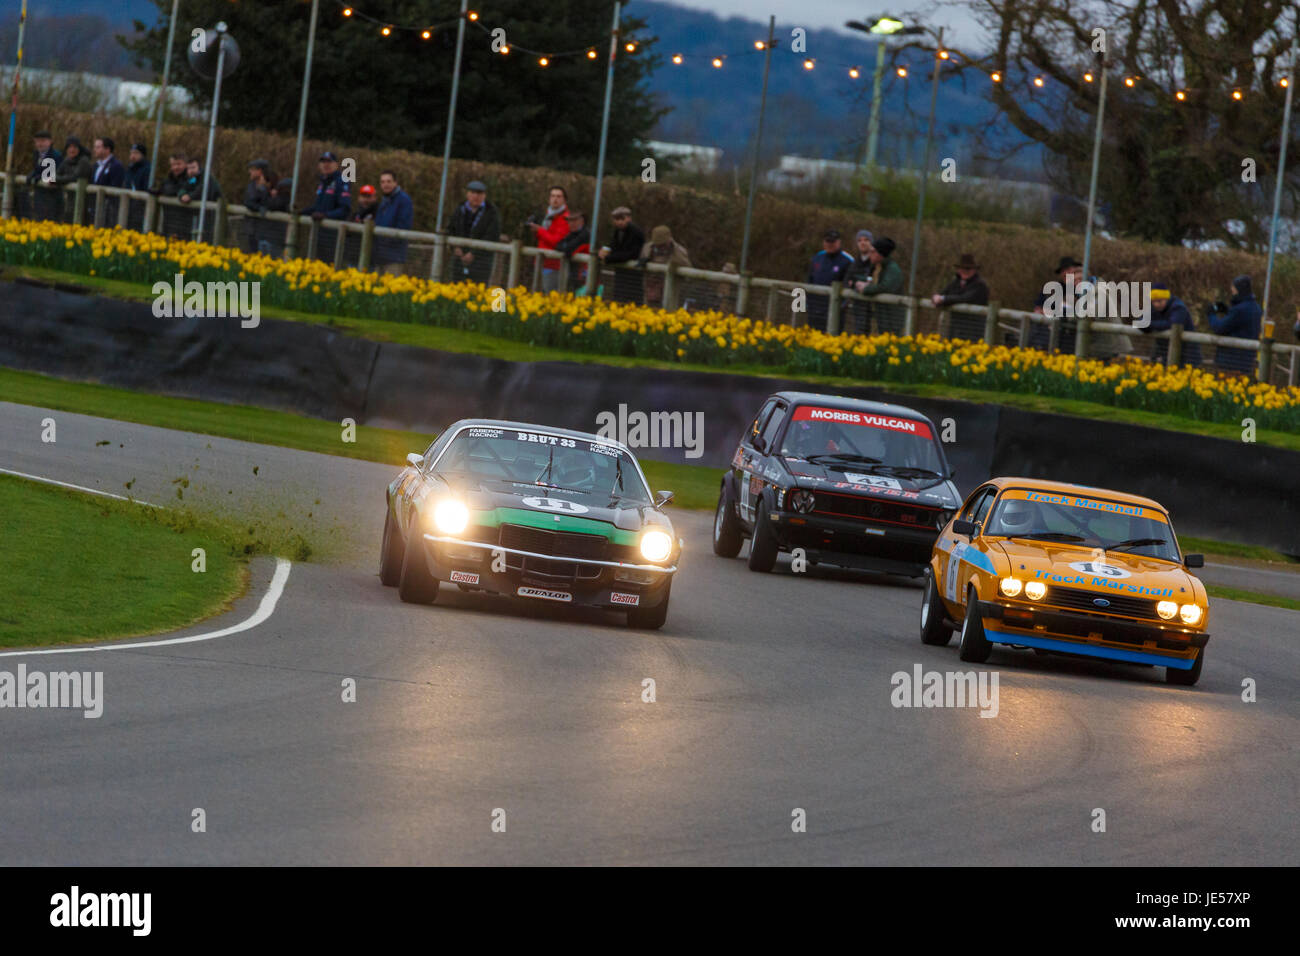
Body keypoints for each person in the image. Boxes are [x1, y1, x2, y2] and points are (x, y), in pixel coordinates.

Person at [1206, 274, 1262, 374]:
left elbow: (1219, 328)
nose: (1232, 291)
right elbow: (1241, 325)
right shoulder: (1256, 308)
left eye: (1234, 289)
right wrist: (1228, 310)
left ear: (1238, 290)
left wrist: (1211, 314)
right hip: (1246, 361)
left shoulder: (1239, 310)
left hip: (1231, 361)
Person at [449, 179, 500, 284]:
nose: (476, 196)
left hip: (481, 262)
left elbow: (492, 235)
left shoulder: (492, 213)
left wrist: (473, 253)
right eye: (473, 193)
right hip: (460, 259)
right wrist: (455, 247)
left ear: (484, 195)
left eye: (479, 193)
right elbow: (451, 229)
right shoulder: (459, 209)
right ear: (467, 194)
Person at [932, 253, 990, 341]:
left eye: (968, 269)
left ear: (974, 270)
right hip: (955, 330)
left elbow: (965, 298)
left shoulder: (980, 285)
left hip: (973, 332)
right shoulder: (956, 282)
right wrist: (936, 298)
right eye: (962, 268)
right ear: (958, 269)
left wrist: (943, 299)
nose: (965, 271)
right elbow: (941, 294)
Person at [1142, 283, 1201, 367]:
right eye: (1154, 301)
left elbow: (1173, 324)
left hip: (1187, 354)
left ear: (1166, 298)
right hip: (1165, 352)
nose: (1156, 304)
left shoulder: (1178, 307)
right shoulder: (1153, 308)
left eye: (1159, 301)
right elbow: (1140, 321)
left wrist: (1149, 325)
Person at [807, 229, 855, 332]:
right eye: (827, 241)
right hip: (814, 308)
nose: (830, 244)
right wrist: (806, 303)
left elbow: (849, 285)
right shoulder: (817, 257)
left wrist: (842, 307)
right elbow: (809, 280)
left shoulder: (847, 260)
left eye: (832, 242)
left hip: (834, 309)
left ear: (839, 242)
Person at [1032, 255, 1082, 352]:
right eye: (1062, 271)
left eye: (1068, 269)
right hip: (1048, 335)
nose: (1065, 273)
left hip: (1072, 338)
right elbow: (1038, 309)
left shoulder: (1082, 290)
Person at [856, 237, 905, 334]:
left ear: (880, 253)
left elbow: (885, 287)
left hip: (891, 320)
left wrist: (866, 289)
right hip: (880, 317)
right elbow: (868, 279)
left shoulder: (892, 269)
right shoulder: (877, 267)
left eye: (873, 252)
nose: (870, 254)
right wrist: (858, 283)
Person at [527, 185, 570, 292]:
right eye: (553, 196)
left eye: (558, 196)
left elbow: (556, 241)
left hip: (554, 265)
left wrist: (539, 231)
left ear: (564, 200)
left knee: (549, 295)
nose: (555, 199)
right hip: (541, 261)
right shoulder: (547, 215)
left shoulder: (565, 218)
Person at [637, 225, 692, 309]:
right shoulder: (648, 248)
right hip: (650, 288)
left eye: (662, 245)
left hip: (670, 290)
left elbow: (688, 271)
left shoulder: (679, 251)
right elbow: (641, 262)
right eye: (657, 245)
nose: (659, 248)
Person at [597, 206, 645, 303]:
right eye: (616, 219)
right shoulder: (618, 231)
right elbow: (614, 245)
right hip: (621, 273)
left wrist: (609, 258)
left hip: (633, 275)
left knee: (631, 301)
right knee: (619, 300)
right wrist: (605, 250)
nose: (619, 222)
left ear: (629, 218)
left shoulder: (635, 232)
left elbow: (631, 254)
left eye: (622, 219)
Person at [372, 170, 414, 274]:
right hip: (379, 256)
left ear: (395, 183)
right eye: (382, 182)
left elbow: (404, 225)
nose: (385, 184)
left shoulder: (404, 200)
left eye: (388, 181)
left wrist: (386, 240)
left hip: (394, 256)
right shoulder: (384, 201)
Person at [844, 229, 874, 333]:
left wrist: (857, 281)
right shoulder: (855, 262)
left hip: (871, 306)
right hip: (857, 304)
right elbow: (848, 279)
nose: (863, 243)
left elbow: (872, 279)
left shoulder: (875, 262)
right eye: (860, 240)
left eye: (866, 240)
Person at [29, 130, 62, 220]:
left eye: (43, 141)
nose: (40, 144)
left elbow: (52, 173)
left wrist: (38, 177)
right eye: (37, 141)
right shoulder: (36, 154)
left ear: (50, 142)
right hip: (39, 193)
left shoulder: (55, 155)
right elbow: (37, 169)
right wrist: (32, 175)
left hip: (52, 195)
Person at [555, 209, 591, 290]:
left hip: (585, 276)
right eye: (569, 221)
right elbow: (558, 245)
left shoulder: (585, 234)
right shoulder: (572, 234)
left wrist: (566, 247)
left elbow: (568, 249)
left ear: (582, 221)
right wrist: (566, 247)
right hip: (575, 274)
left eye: (574, 220)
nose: (571, 223)